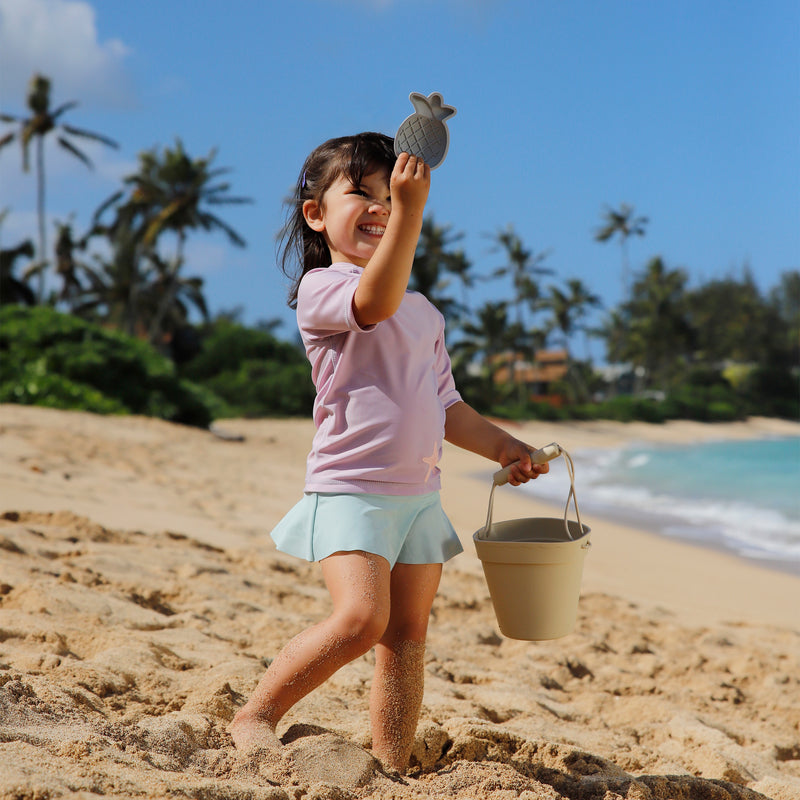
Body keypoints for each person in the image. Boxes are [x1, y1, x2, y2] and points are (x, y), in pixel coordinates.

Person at [228, 131, 549, 772]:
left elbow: (448, 407)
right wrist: (409, 210)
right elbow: (373, 302)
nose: (379, 205)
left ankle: (390, 762)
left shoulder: (426, 314)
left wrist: (506, 447)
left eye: (388, 193)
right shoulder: (324, 290)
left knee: (406, 638)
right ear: (315, 214)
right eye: (362, 193)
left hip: (418, 499)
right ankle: (254, 715)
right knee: (360, 619)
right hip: (351, 488)